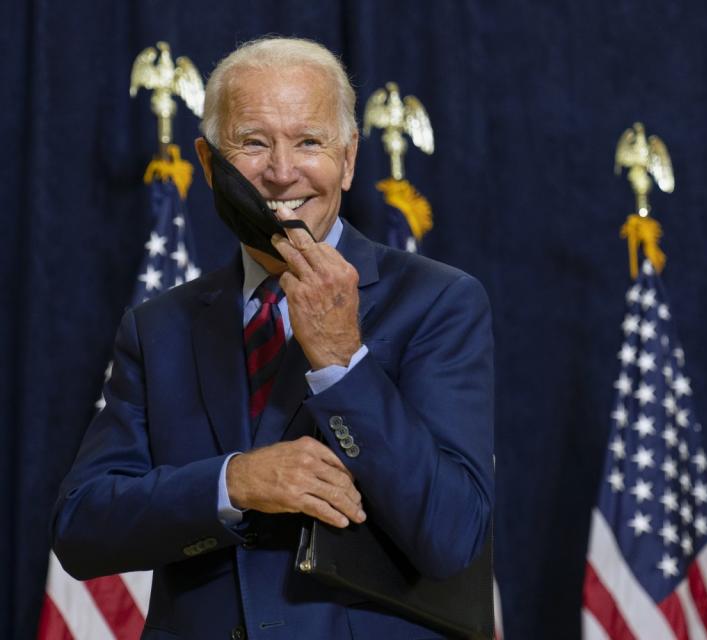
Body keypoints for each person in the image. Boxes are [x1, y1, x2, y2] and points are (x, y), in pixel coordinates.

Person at [52, 37, 494, 640]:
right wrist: (234, 483)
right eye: (253, 143)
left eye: (309, 141)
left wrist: (343, 363)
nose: (282, 172)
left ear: (349, 158)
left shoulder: (441, 303)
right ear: (210, 164)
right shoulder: (159, 327)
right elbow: (81, 528)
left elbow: (452, 537)